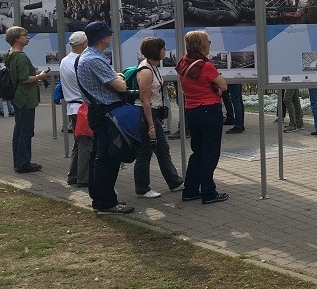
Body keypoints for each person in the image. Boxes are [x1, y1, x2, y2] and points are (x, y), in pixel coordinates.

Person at [76, 21, 136, 214]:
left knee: (99, 156)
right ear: (102, 37)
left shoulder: (89, 56)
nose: (111, 37)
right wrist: (120, 79)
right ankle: (106, 202)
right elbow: (121, 86)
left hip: (99, 110)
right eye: (108, 34)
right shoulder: (93, 59)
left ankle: (99, 198)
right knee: (109, 157)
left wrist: (115, 77)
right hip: (105, 112)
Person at [176, 30, 228, 204]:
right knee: (210, 153)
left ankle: (190, 190)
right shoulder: (205, 66)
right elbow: (224, 85)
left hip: (191, 109)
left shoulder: (183, 62)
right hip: (209, 110)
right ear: (202, 45)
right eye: (208, 42)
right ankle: (208, 192)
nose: (210, 45)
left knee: (197, 152)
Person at [133, 37, 184, 199]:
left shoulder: (153, 67)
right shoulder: (146, 71)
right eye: (163, 48)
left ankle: (174, 181)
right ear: (155, 50)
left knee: (162, 149)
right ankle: (142, 187)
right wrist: (151, 125)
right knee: (145, 151)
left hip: (153, 114)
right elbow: (145, 100)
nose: (165, 50)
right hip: (146, 114)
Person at [2, 26, 49, 173]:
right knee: (26, 131)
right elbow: (25, 79)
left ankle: (19, 161)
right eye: (25, 35)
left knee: (19, 129)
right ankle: (23, 163)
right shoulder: (21, 56)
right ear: (17, 38)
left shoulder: (10, 54)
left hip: (17, 96)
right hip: (25, 97)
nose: (28, 37)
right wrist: (40, 76)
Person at [58, 30, 90, 188]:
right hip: (82, 107)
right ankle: (84, 179)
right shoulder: (81, 61)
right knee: (86, 144)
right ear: (84, 43)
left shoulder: (65, 60)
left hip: (73, 106)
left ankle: (74, 175)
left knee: (79, 144)